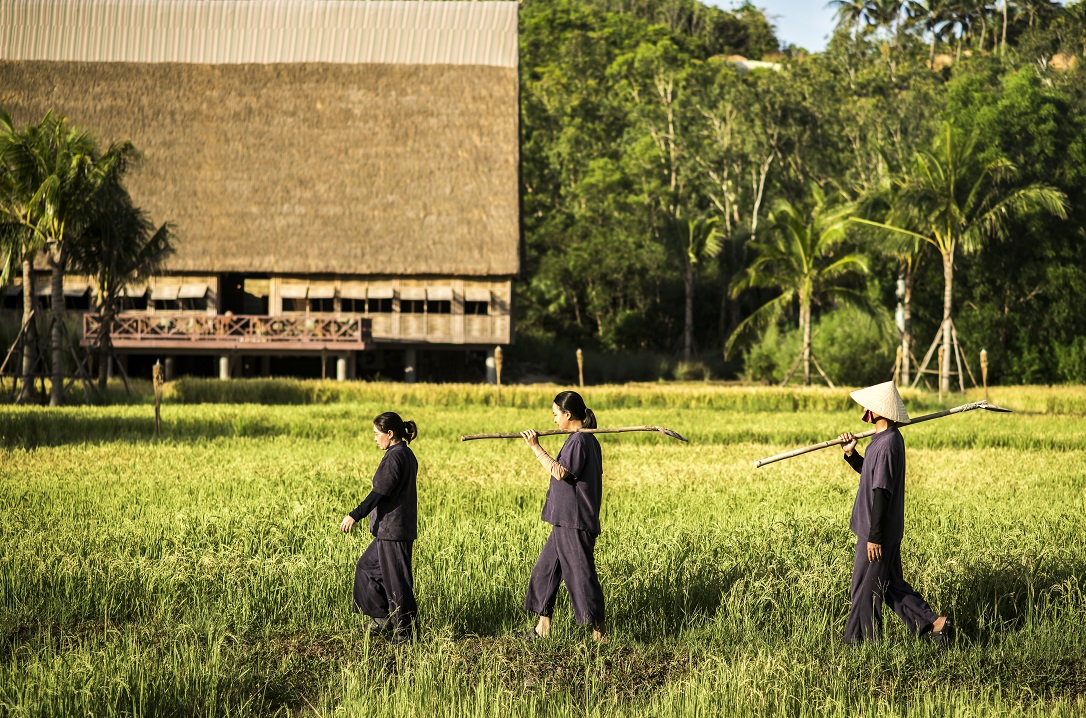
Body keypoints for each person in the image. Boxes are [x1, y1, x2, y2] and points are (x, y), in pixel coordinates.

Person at [837, 381, 952, 645]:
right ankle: (935, 623)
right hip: (877, 529)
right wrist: (851, 454)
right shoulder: (882, 440)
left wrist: (875, 536)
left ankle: (860, 644)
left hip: (877, 532)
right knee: (889, 586)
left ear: (878, 411)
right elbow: (871, 475)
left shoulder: (888, 444)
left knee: (865, 590)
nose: (865, 408)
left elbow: (882, 492)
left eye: (869, 405)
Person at [519, 390, 607, 642]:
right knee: (545, 571)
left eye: (556, 414)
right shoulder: (578, 439)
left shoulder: (580, 440)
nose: (554, 420)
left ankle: (599, 635)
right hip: (564, 520)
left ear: (568, 414)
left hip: (575, 521)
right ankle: (542, 629)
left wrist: (535, 447)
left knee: (581, 576)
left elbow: (560, 472)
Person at [339, 411, 419, 644]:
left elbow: (380, 492)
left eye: (377, 434)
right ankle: (381, 618)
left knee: (397, 581)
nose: (375, 438)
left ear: (390, 434)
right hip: (388, 530)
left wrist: (355, 515)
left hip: (394, 531)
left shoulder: (397, 456)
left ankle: (406, 633)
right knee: (368, 568)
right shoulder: (403, 453)